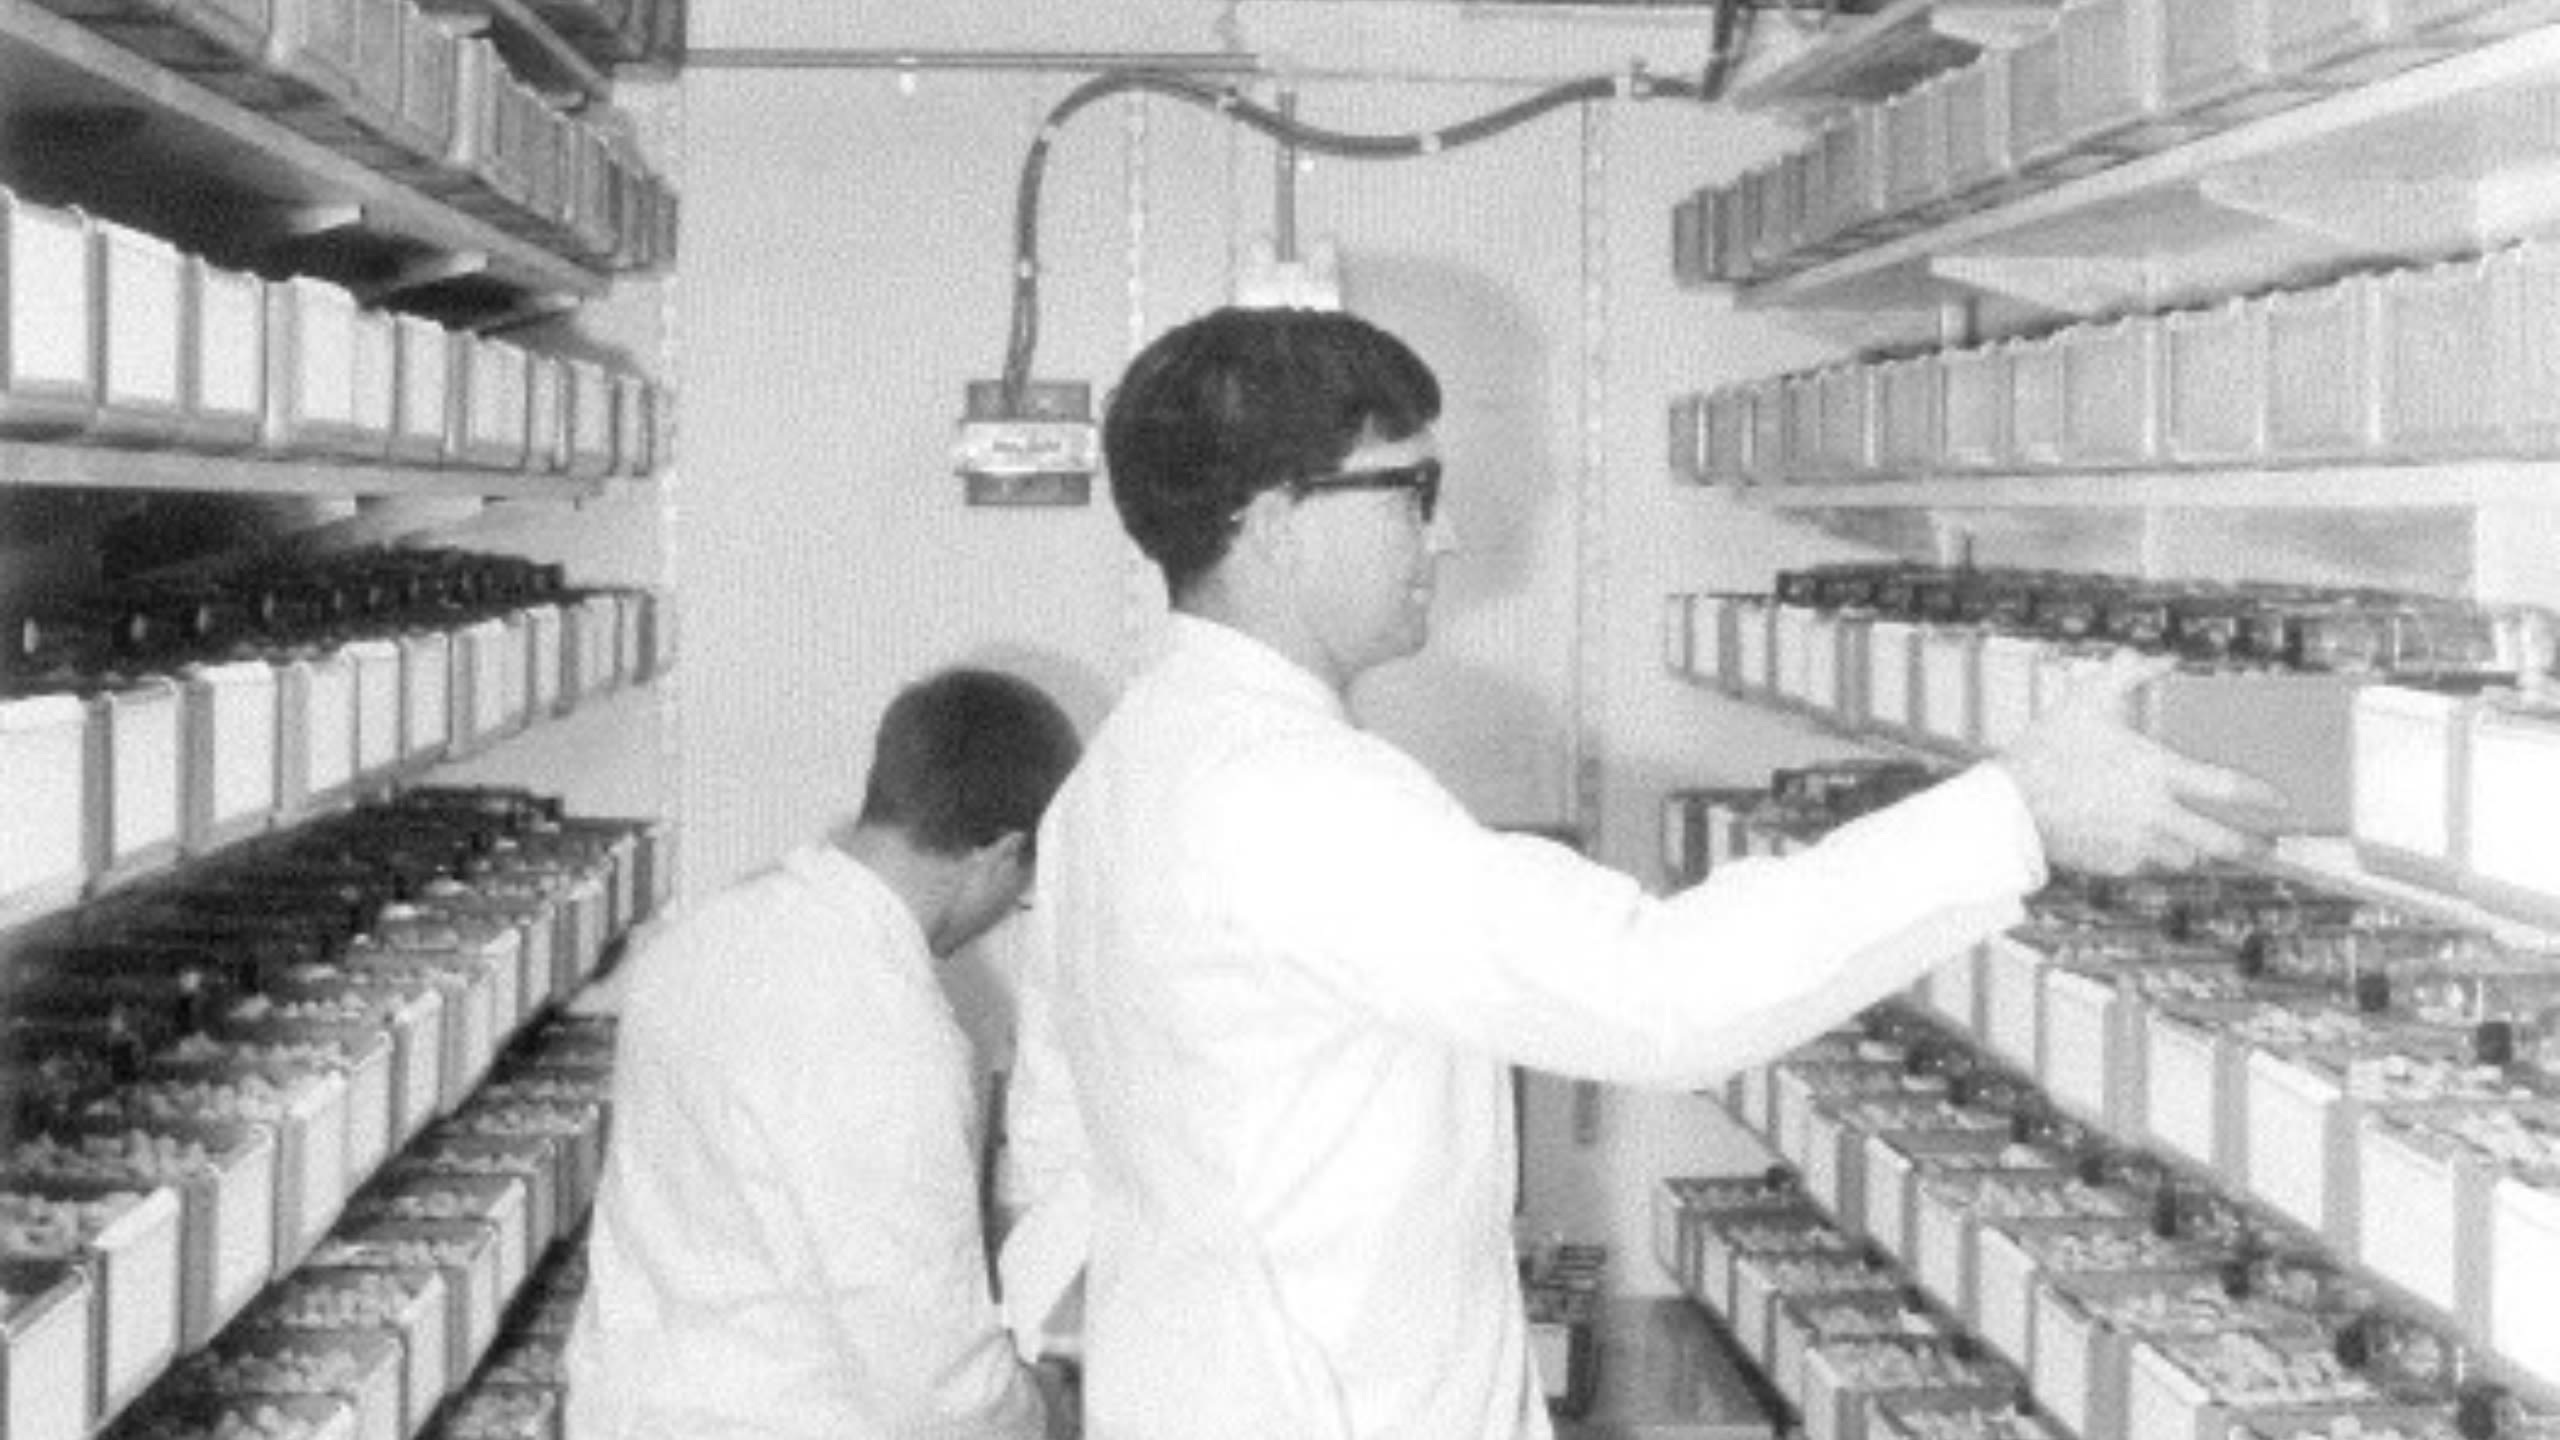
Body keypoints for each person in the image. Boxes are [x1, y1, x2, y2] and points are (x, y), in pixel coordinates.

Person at [998, 305, 2288, 1440]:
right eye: (1409, 490)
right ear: (1272, 524)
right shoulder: (1292, 799)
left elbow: (1060, 1153)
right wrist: (2016, 810)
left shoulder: (1119, 777)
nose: (1439, 539)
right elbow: (1657, 992)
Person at [567, 666, 1084, 1440]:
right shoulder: (889, 1031)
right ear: (1000, 852)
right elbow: (934, 1384)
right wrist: (1044, 1406)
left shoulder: (706, 937)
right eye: (1023, 890)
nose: (1007, 912)